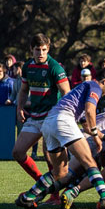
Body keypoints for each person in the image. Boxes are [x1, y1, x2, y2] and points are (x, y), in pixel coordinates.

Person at [15, 67, 105, 209]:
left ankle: (28, 197)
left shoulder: (81, 89)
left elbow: (86, 123)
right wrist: (94, 134)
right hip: (63, 120)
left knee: (59, 172)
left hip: (49, 123)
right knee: (89, 162)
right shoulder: (95, 86)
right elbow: (90, 110)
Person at [12, 33, 70, 197]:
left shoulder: (55, 67)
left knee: (49, 156)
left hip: (51, 117)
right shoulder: (27, 67)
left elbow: (66, 92)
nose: (41, 53)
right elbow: (23, 91)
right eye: (38, 50)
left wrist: (62, 114)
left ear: (48, 49)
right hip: (35, 117)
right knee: (18, 152)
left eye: (44, 50)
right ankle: (41, 184)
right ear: (32, 49)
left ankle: (55, 196)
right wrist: (20, 108)